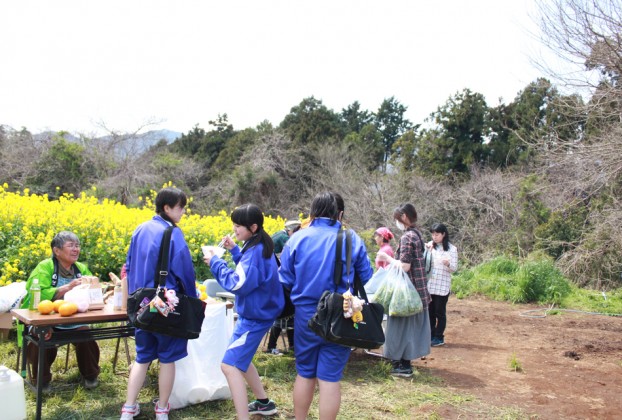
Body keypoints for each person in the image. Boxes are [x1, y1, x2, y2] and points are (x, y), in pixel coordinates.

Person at [279, 191, 374, 420]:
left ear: (312, 213)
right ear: (340, 214)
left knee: (305, 373)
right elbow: (367, 276)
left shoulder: (297, 238)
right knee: (330, 378)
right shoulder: (351, 238)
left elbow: (285, 279)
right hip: (342, 312)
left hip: (305, 316)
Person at [120, 187, 197, 420]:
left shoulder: (140, 229)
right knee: (167, 358)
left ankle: (128, 408)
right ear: (167, 208)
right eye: (180, 207)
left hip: (142, 302)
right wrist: (192, 299)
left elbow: (128, 267)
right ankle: (162, 408)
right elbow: (185, 272)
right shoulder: (173, 233)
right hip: (165, 302)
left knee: (142, 357)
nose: (183, 211)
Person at [203, 203, 284, 419]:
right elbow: (250, 275)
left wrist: (216, 263)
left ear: (254, 227)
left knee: (229, 366)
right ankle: (264, 403)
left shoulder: (255, 251)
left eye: (239, 226)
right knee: (242, 361)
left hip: (254, 319)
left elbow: (238, 283)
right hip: (259, 314)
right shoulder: (258, 246)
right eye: (234, 225)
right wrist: (234, 250)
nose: (235, 229)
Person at [20, 231, 100, 392]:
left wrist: (94, 287)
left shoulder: (81, 268)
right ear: (57, 251)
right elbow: (36, 292)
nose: (76, 249)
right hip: (47, 318)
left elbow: (94, 290)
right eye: (71, 246)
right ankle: (41, 380)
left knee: (85, 334)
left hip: (73, 319)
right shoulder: (45, 267)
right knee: (43, 335)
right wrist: (67, 287)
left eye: (77, 246)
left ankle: (91, 375)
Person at [377, 203, 431, 378]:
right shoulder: (417, 234)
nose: (397, 222)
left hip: (408, 292)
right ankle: (404, 363)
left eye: (397, 219)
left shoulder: (407, 237)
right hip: (419, 290)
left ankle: (402, 366)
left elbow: (405, 266)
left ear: (404, 217)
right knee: (410, 329)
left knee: (400, 328)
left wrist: (387, 258)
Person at [265, 219, 301, 356]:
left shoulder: (278, 235)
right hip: (280, 280)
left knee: (289, 314)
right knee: (286, 314)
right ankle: (273, 346)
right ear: (293, 230)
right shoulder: (286, 238)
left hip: (278, 278)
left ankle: (291, 345)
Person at [426, 223, 458, 347]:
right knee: (430, 312)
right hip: (430, 284)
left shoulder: (451, 249)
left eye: (437, 234)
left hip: (443, 285)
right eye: (433, 234)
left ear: (443, 234)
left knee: (440, 312)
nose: (434, 237)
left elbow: (454, 268)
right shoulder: (430, 246)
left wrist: (448, 264)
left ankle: (439, 337)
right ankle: (431, 335)